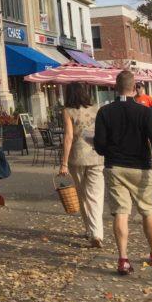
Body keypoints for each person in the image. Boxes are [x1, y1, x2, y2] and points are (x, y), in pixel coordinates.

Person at [94, 70, 152, 275]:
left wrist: (110, 149)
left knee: (121, 212)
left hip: (115, 167)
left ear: (115, 87)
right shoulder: (144, 112)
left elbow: (100, 146)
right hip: (140, 167)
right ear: (134, 86)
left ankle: (123, 259)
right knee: (147, 211)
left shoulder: (104, 112)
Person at [57, 82, 105, 248]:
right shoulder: (96, 109)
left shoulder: (68, 111)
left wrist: (63, 163)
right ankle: (96, 232)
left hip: (77, 157)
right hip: (96, 155)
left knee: (82, 194)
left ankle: (90, 230)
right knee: (95, 196)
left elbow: (68, 137)